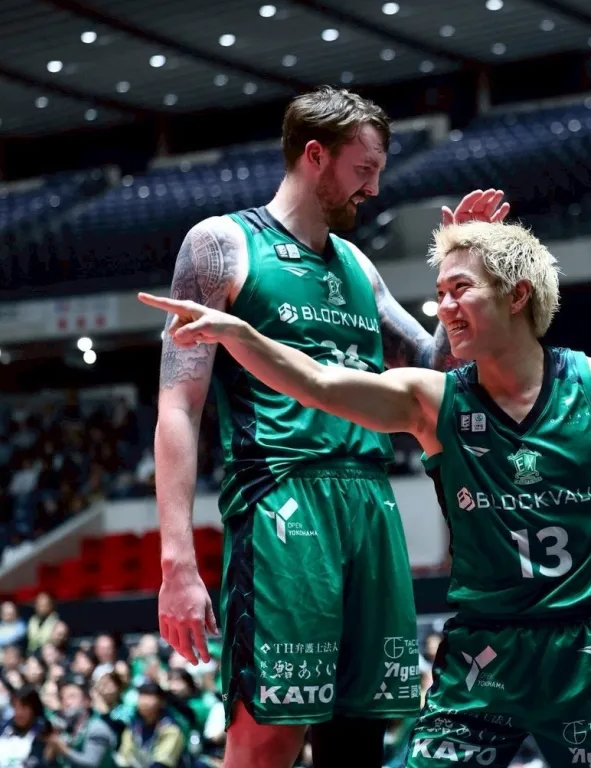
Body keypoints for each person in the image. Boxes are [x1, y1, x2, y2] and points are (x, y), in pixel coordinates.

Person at [139, 217, 591, 768]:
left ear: (517, 295)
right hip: (483, 650)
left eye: (460, 289)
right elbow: (317, 384)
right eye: (440, 293)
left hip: (581, 647)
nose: (445, 308)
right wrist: (239, 333)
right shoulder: (431, 398)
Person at [151, 85, 509, 768]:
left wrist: (468, 267)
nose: (373, 189)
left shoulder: (357, 266)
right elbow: (178, 405)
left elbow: (434, 368)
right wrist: (177, 564)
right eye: (362, 170)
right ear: (315, 156)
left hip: (370, 501)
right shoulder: (222, 245)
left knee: (361, 735)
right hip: (283, 500)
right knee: (268, 737)